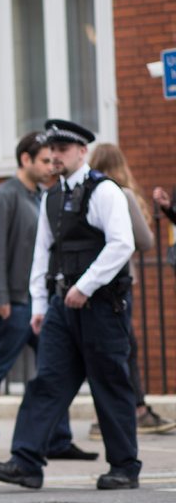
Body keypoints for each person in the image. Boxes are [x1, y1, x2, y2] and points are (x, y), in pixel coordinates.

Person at [0, 119, 140, 491]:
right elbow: (44, 254)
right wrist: (40, 305)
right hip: (62, 306)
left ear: (81, 151)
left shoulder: (106, 192)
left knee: (110, 384)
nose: (55, 155)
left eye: (62, 149)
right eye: (51, 150)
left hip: (104, 307)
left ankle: (124, 466)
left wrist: (87, 287)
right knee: (47, 380)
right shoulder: (52, 196)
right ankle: (26, 462)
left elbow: (122, 245)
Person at [0, 133, 92, 460]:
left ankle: (58, 440)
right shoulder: (3, 196)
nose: (52, 165)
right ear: (26, 159)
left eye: (54, 160)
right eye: (45, 160)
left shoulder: (39, 196)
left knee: (54, 368)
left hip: (37, 302)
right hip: (12, 303)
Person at [88, 144, 175, 436]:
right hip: (118, 283)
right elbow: (145, 240)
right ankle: (128, 413)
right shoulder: (120, 194)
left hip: (89, 281)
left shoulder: (86, 195)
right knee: (122, 349)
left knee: (115, 349)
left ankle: (123, 411)